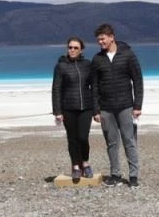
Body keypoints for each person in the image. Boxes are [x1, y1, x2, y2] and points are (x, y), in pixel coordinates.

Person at [91, 23, 144, 187]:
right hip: (106, 108)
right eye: (98, 40)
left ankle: (133, 176)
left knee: (129, 141)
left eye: (103, 39)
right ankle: (115, 174)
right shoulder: (97, 59)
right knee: (112, 143)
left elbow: (137, 80)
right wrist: (96, 110)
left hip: (126, 106)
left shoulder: (128, 55)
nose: (100, 42)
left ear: (111, 37)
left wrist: (137, 105)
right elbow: (95, 86)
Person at [52, 36, 94, 180]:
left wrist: (97, 108)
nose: (72, 50)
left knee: (83, 137)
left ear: (81, 49)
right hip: (68, 108)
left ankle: (85, 163)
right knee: (72, 139)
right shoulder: (61, 66)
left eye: (75, 48)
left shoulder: (88, 65)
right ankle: (75, 166)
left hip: (86, 108)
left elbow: (94, 87)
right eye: (70, 47)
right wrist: (57, 111)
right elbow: (56, 89)